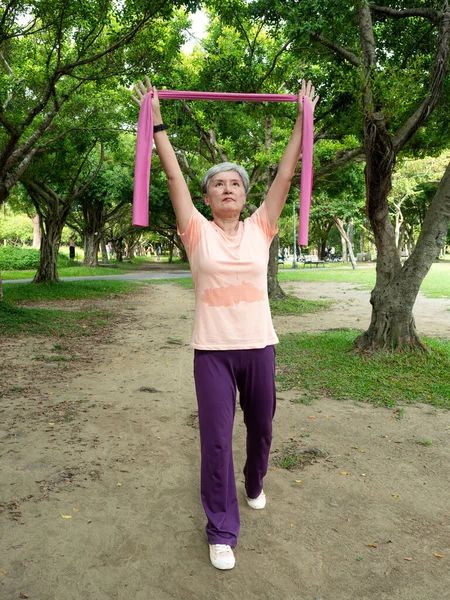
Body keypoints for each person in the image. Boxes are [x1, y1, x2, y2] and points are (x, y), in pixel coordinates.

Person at [132, 76, 318, 570]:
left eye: (235, 182)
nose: (228, 188)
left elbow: (284, 175)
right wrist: (157, 121)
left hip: (259, 346)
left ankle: (255, 480)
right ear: (208, 197)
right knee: (216, 440)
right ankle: (221, 529)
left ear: (244, 193)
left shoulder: (262, 226)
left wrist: (304, 118)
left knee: (261, 428)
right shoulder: (195, 230)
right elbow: (172, 178)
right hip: (212, 352)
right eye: (218, 184)